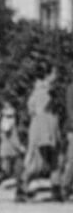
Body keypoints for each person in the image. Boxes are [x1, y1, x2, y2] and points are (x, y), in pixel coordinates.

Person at [22, 66, 63, 201]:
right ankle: (22, 188)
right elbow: (38, 113)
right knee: (37, 164)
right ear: (47, 75)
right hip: (42, 132)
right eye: (54, 73)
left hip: (50, 130)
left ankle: (56, 192)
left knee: (55, 162)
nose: (56, 76)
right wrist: (45, 135)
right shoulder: (42, 92)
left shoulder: (48, 91)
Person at [0, 102, 27, 202]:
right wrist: (20, 147)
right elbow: (13, 138)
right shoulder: (8, 122)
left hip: (9, 151)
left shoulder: (8, 121)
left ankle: (18, 195)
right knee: (11, 172)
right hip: (11, 151)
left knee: (15, 172)